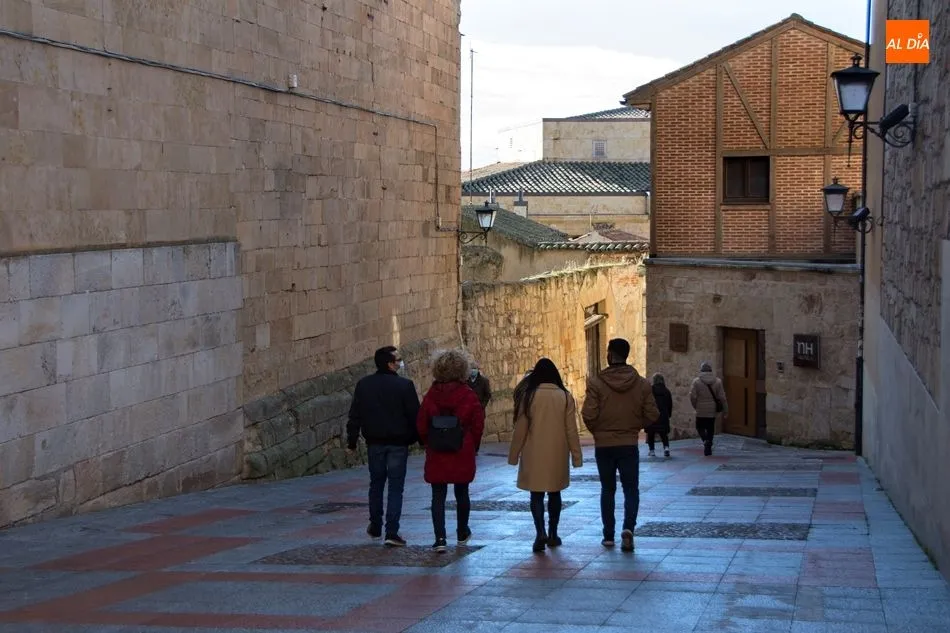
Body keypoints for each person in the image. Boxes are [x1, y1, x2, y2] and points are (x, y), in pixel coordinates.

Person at [581, 338, 658, 552]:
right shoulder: (641, 384)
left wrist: (598, 430)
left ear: (610, 354)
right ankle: (629, 528)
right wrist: (634, 426)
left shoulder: (596, 383)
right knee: (631, 488)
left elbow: (588, 414)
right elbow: (653, 413)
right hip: (628, 442)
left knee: (608, 489)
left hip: (604, 444)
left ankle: (608, 535)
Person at [346, 346, 420, 547]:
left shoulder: (364, 385)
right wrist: (417, 440)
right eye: (398, 360)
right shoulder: (405, 386)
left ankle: (375, 524)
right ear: (389, 363)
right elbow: (415, 416)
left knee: (376, 484)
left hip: (374, 443)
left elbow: (355, 415)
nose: (400, 363)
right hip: (398, 444)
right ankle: (392, 531)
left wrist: (351, 441)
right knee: (396, 487)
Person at [508, 358, 583, 553]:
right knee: (555, 492)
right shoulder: (565, 397)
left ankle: (539, 531)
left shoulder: (529, 396)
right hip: (557, 452)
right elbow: (571, 430)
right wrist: (576, 456)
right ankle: (552, 533)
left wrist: (514, 454)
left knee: (536, 494)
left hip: (534, 451)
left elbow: (520, 429)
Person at [417, 349, 485, 552]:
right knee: (462, 492)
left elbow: (421, 424)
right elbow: (478, 424)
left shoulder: (431, 396)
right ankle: (462, 531)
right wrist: (474, 445)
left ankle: (440, 538)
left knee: (437, 494)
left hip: (437, 449)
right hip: (461, 448)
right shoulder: (468, 395)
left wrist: (428, 441)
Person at [689, 361, 728, 456]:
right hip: (712, 409)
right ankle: (708, 446)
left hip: (700, 409)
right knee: (710, 428)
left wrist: (695, 405)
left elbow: (692, 396)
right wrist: (726, 410)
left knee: (699, 427)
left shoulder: (696, 381)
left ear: (701, 370)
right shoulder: (718, 381)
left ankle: (705, 440)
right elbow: (722, 397)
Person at [467, 361, 491, 454]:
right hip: (468, 409)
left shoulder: (484, 381)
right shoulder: (465, 381)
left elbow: (487, 395)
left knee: (477, 430)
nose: (473, 371)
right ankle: (470, 448)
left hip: (479, 409)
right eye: (472, 369)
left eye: (475, 369)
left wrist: (482, 405)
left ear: (478, 370)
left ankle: (475, 448)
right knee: (469, 430)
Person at [647, 374, 673, 458]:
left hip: (652, 415)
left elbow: (647, 403)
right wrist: (669, 414)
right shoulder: (666, 391)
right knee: (664, 434)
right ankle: (666, 448)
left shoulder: (650, 391)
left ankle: (652, 451)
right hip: (663, 415)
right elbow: (670, 404)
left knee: (651, 434)